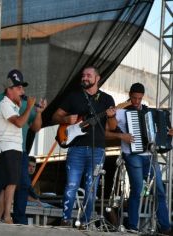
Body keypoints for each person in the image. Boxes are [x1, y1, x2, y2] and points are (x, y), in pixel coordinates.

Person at [52, 66, 117, 227]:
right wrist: (66, 119)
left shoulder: (107, 99)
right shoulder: (73, 96)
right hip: (76, 148)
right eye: (83, 75)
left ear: (97, 78)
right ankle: (65, 220)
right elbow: (55, 116)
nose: (85, 78)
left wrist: (112, 115)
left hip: (97, 150)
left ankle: (86, 222)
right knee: (71, 185)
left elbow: (113, 127)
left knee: (91, 188)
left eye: (89, 75)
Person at [105, 83, 172, 235]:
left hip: (150, 156)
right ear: (130, 95)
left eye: (139, 99)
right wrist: (122, 134)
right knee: (137, 190)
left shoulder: (149, 112)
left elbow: (160, 132)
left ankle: (166, 227)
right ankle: (133, 226)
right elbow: (109, 129)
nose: (136, 101)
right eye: (134, 98)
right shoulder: (122, 112)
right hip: (132, 155)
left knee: (160, 191)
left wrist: (168, 133)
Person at [0, 69, 47, 224]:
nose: (22, 91)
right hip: (8, 148)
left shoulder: (13, 105)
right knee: (12, 183)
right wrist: (29, 107)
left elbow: (34, 126)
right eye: (19, 88)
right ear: (9, 89)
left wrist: (37, 111)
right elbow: (20, 123)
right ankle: (7, 216)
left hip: (12, 148)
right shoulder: (4, 104)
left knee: (5, 184)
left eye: (22, 87)